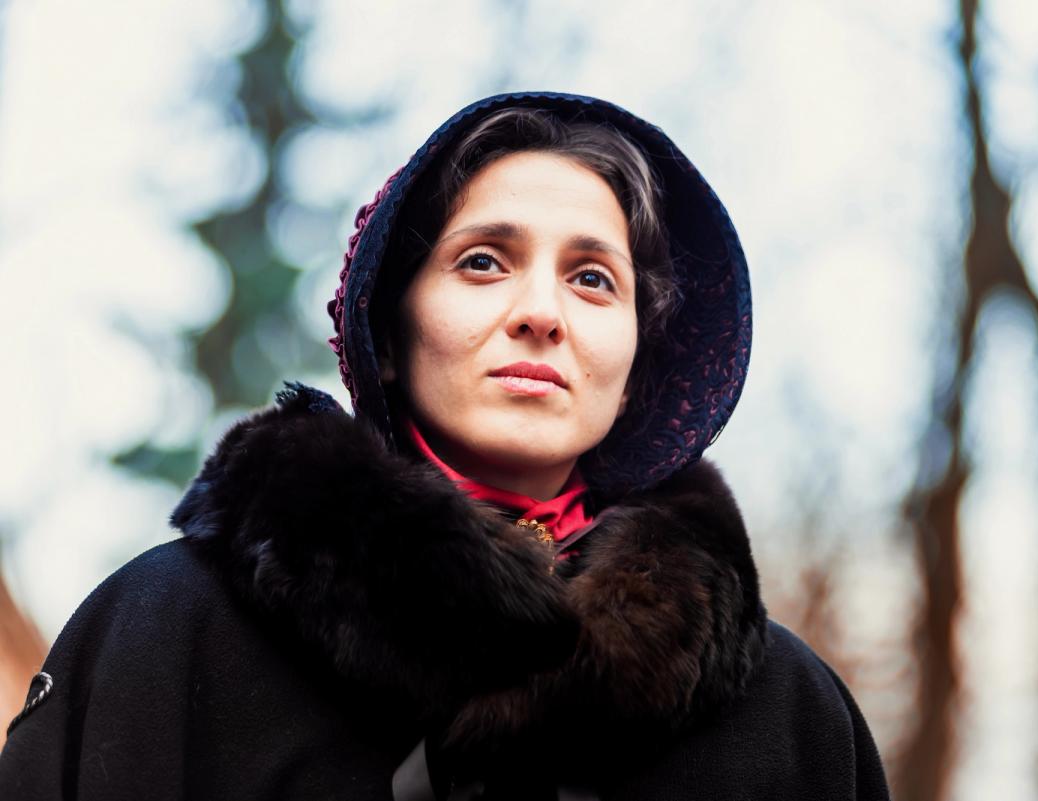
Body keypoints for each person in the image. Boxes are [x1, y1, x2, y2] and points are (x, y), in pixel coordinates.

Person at [0, 92, 890, 800]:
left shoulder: (790, 716)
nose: (541, 312)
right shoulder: (172, 632)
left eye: (591, 278)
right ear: (387, 335)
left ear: (635, 368)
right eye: (483, 261)